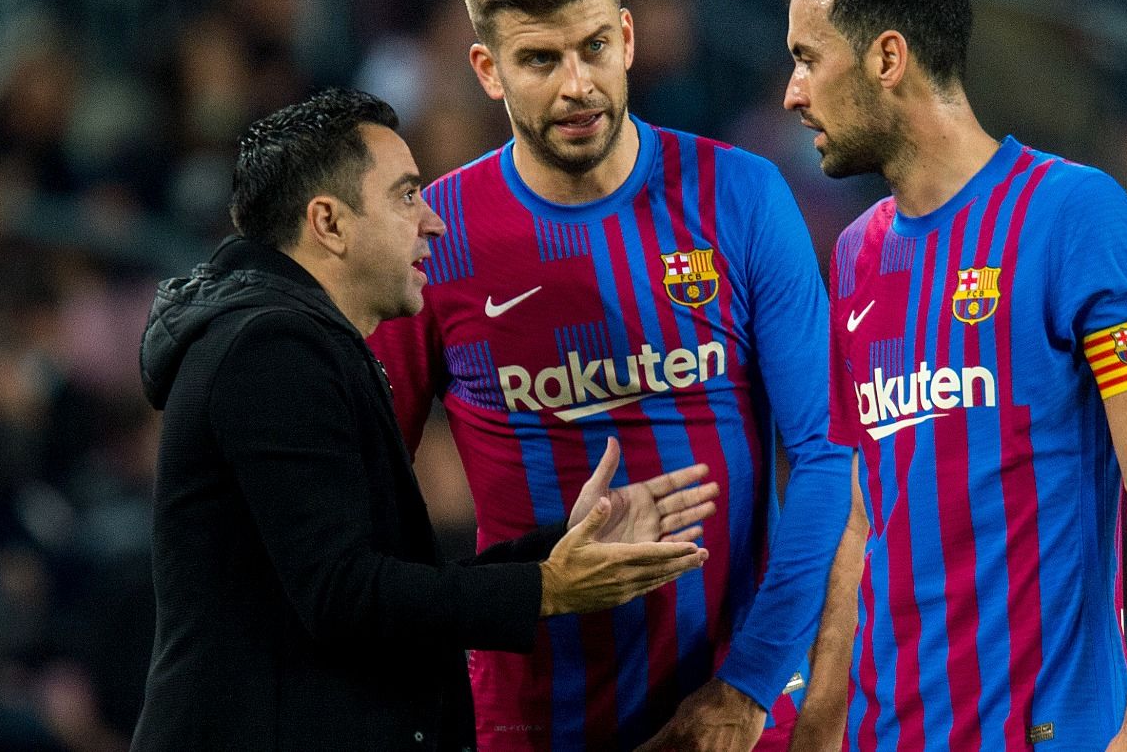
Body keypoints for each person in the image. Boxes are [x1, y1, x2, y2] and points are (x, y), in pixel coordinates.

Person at [366, 0, 853, 751]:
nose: (577, 84)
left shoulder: (740, 197)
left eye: (594, 46)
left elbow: (826, 455)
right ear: (488, 69)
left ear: (627, 36)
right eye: (540, 59)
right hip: (525, 717)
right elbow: (365, 485)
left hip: (731, 710)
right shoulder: (434, 234)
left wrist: (750, 683)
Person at [133, 88, 715, 751]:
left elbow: (377, 578)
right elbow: (342, 595)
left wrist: (556, 547)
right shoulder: (272, 351)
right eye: (407, 195)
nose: (433, 222)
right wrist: (545, 588)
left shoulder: (299, 342)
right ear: (329, 223)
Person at [781, 0, 1127, 750]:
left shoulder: (1075, 214)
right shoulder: (857, 254)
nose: (793, 92)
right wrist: (820, 725)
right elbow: (860, 514)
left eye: (807, 56)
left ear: (887, 58)